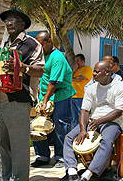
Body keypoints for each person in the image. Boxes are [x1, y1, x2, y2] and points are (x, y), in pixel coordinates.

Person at [0, 8, 45, 181]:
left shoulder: (32, 44)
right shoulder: (5, 45)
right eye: (7, 20)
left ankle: (20, 178)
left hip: (19, 100)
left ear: (23, 24)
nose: (9, 23)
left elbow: (40, 70)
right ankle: (2, 177)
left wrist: (23, 67)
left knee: (19, 145)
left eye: (13, 19)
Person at [62, 61, 123, 181]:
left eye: (97, 71)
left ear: (107, 73)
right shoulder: (91, 88)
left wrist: (99, 121)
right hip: (93, 121)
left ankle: (90, 173)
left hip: (113, 122)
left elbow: (118, 111)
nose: (94, 73)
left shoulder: (120, 87)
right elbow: (84, 111)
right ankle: (71, 171)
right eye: (94, 70)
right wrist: (82, 129)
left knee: (106, 140)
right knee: (69, 137)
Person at [32, 31, 76, 168]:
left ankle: (61, 156)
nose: (38, 48)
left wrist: (45, 101)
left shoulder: (57, 57)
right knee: (39, 125)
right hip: (44, 96)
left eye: (41, 45)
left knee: (61, 126)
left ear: (49, 42)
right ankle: (42, 155)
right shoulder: (41, 56)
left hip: (60, 96)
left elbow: (53, 82)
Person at [71, 54, 93, 128]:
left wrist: (72, 79)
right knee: (74, 117)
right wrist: (73, 70)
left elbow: (81, 78)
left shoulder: (87, 69)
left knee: (80, 116)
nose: (76, 62)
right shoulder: (75, 70)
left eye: (78, 61)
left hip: (81, 96)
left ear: (83, 61)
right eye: (75, 61)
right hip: (73, 96)